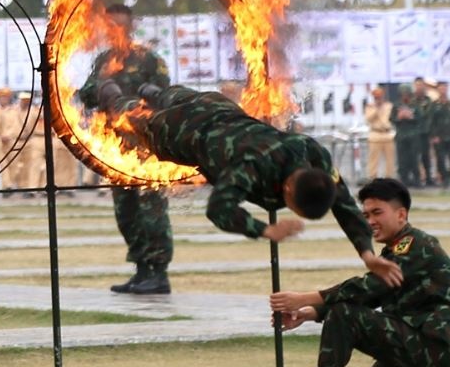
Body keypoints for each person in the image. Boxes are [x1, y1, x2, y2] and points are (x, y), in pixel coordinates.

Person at [97, 82, 402, 285]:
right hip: (179, 131)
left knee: (166, 94)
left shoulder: (313, 153)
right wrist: (265, 229)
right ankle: (106, 88)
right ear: (287, 191)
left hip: (216, 106)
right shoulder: (251, 166)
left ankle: (151, 90)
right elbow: (219, 208)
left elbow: (345, 204)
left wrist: (367, 253)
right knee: (127, 115)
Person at [267, 179, 450, 367]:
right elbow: (368, 298)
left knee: (345, 314)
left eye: (377, 213)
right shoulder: (394, 251)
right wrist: (309, 313)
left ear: (401, 214)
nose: (370, 221)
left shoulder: (416, 246)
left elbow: (367, 287)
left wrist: (305, 297)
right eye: (365, 215)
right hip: (415, 348)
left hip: (432, 346)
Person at [79, 3, 174, 294]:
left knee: (151, 208)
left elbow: (165, 96)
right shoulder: (103, 60)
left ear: (131, 27)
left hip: (145, 146)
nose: (115, 31)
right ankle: (141, 268)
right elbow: (86, 93)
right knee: (126, 210)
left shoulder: (148, 61)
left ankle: (159, 272)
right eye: (111, 26)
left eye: (120, 25)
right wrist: (100, 90)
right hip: (115, 147)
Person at [363, 87, 395, 180]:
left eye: (380, 97)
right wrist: (376, 109)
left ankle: (389, 177)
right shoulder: (370, 107)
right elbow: (368, 119)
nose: (378, 99)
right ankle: (373, 177)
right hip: (375, 134)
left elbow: (392, 118)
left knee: (390, 159)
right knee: (373, 159)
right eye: (376, 97)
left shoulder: (389, 106)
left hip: (387, 134)